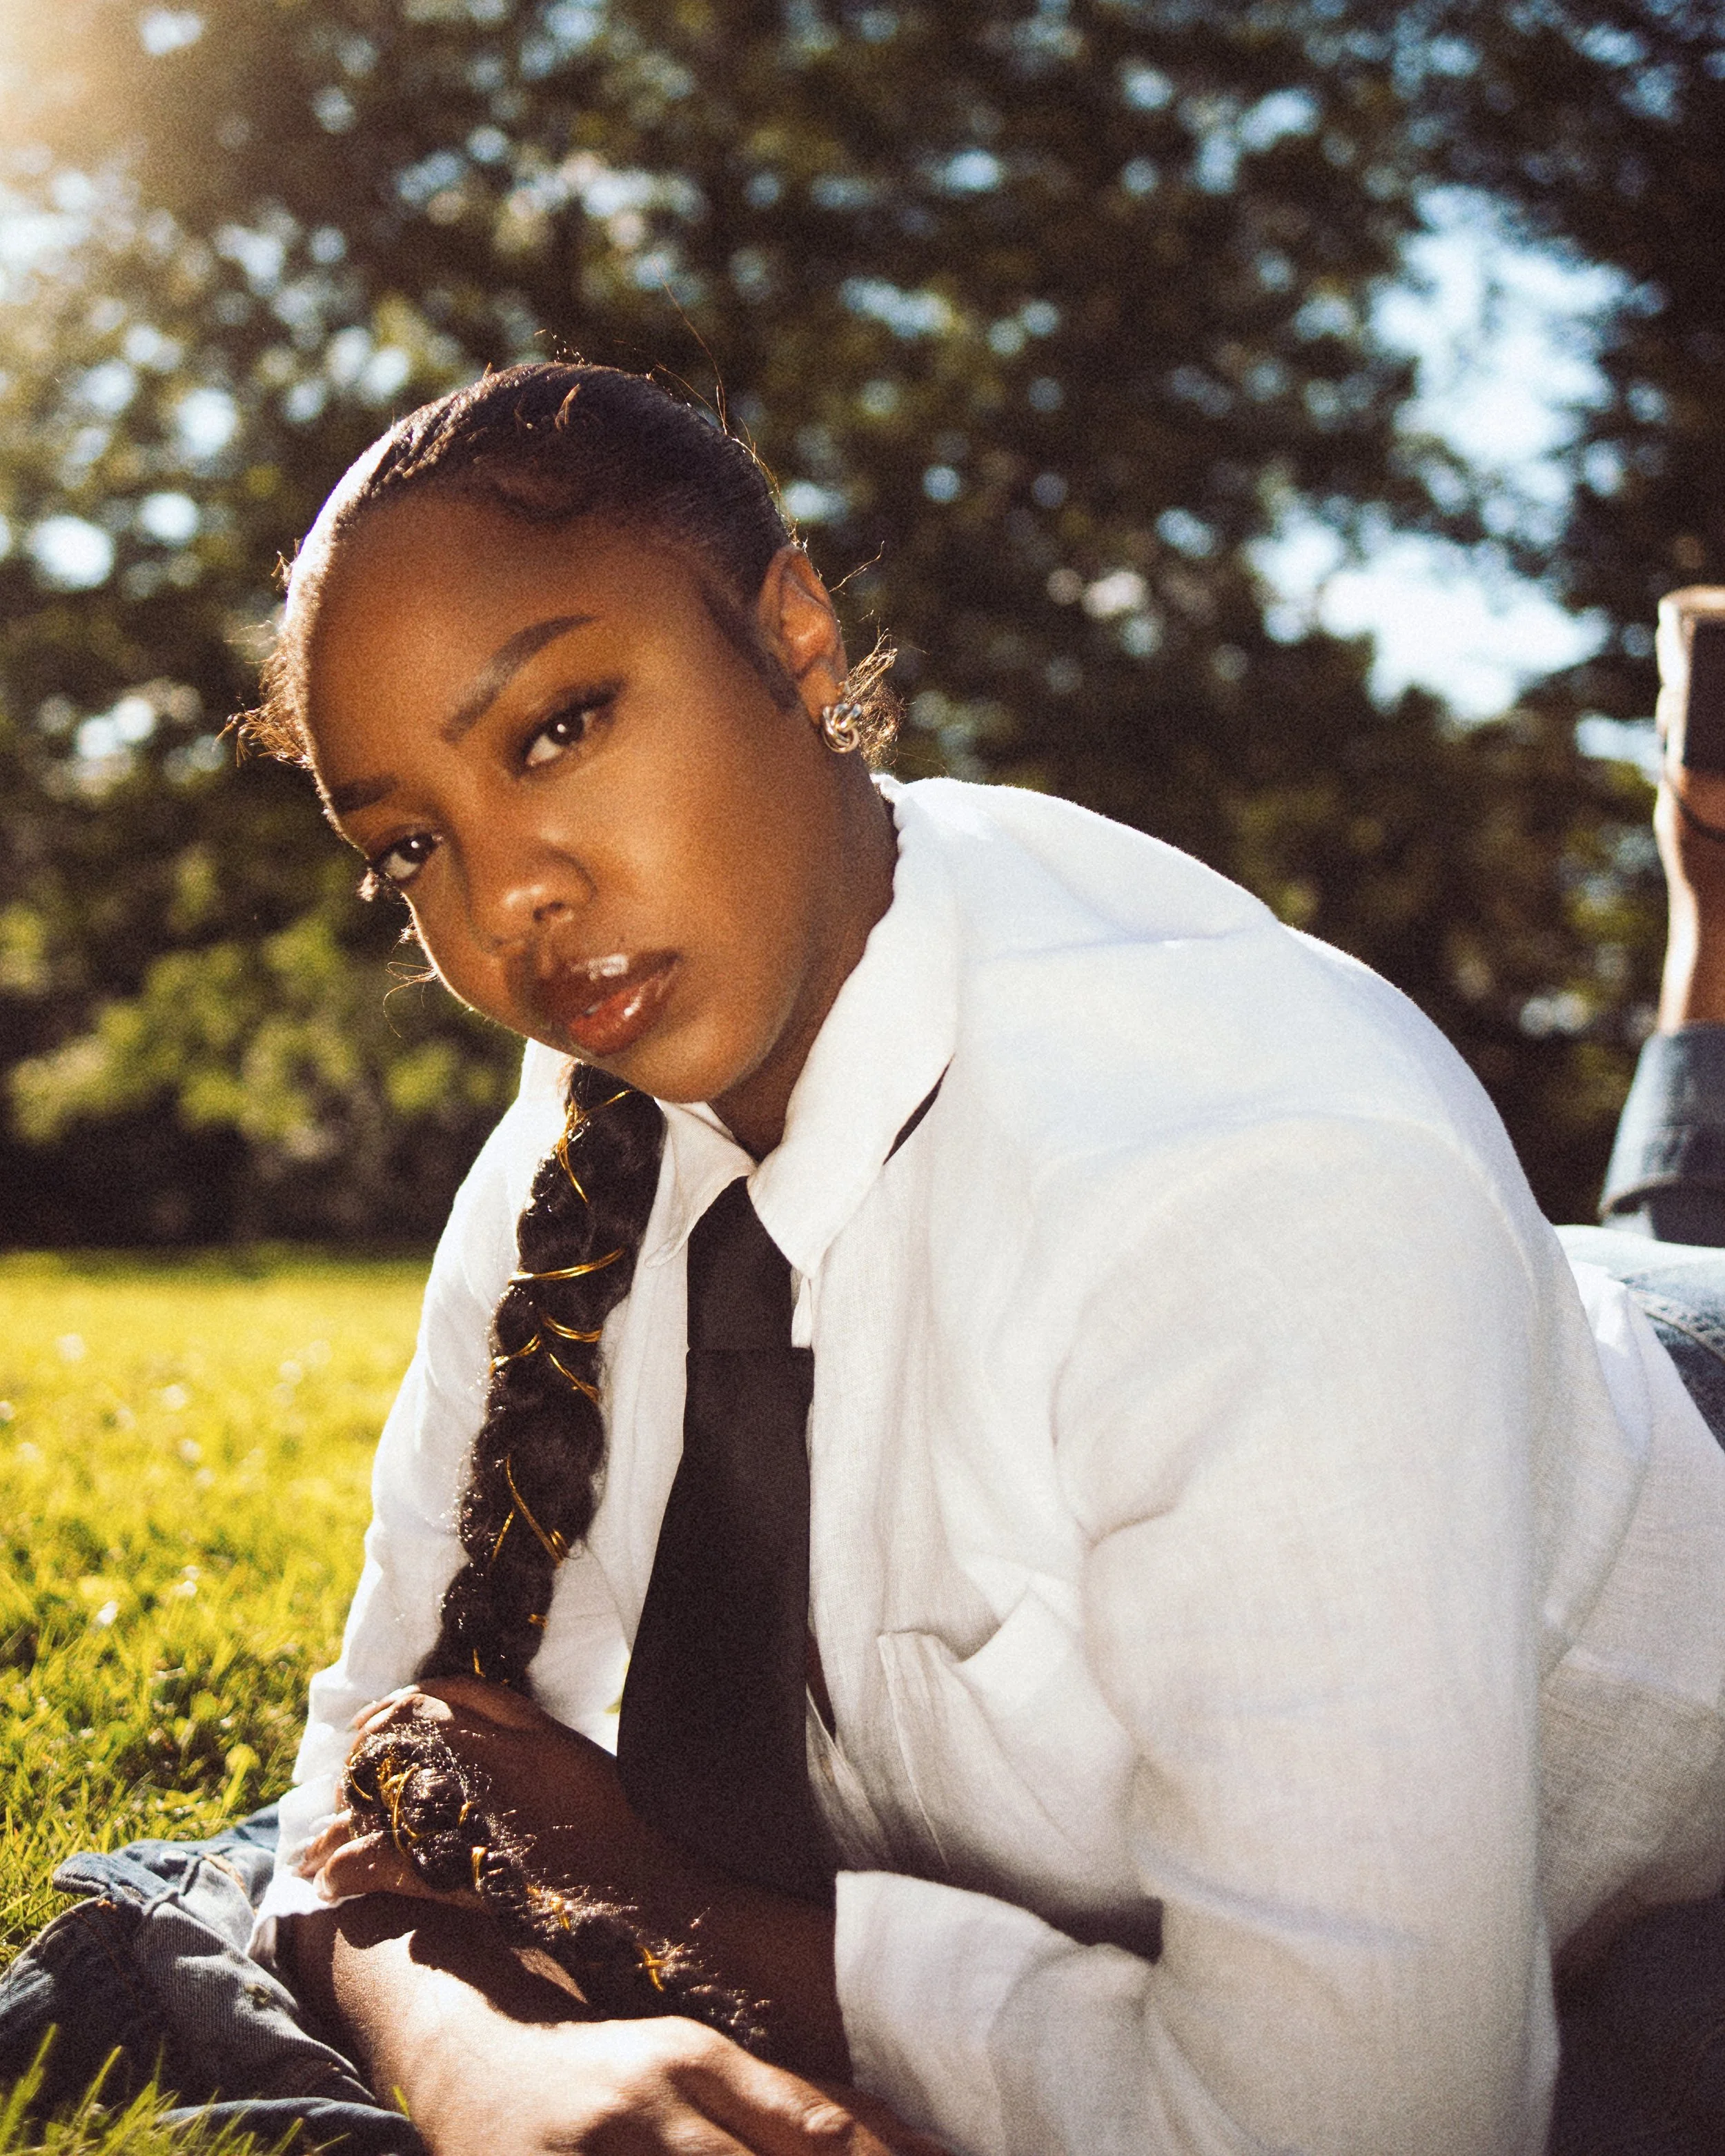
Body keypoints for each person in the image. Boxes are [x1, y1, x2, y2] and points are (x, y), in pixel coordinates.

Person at [8, 362, 1725, 2156]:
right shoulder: (589, 1132)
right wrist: (474, 2050)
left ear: (796, 637)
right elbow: (371, 1768)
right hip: (1533, 1317)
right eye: (410, 842)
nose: (505, 893)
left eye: (557, 726)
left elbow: (1359, 2125)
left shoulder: (1246, 1190)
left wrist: (696, 1915)